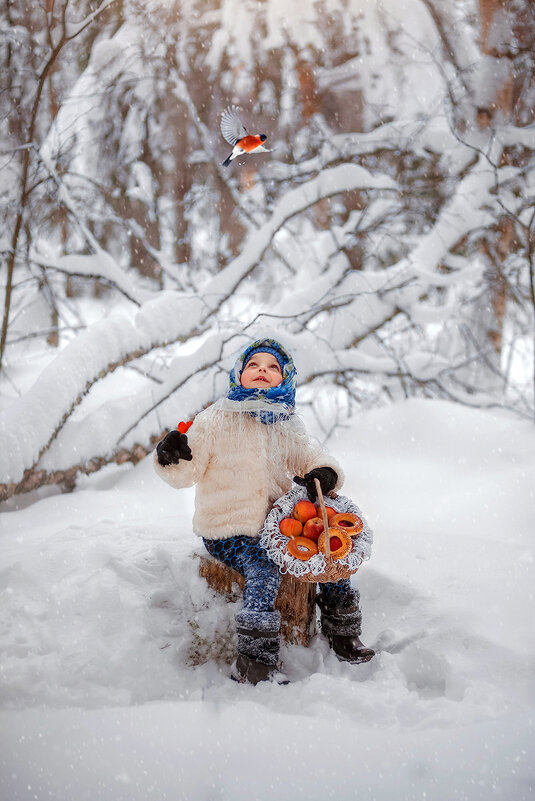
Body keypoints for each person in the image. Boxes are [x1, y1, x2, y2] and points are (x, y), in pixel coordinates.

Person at [154, 337, 374, 684]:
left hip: (278, 526)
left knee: (329, 553)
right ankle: (255, 660)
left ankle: (342, 631)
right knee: (263, 567)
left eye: (273, 367)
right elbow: (187, 471)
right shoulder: (215, 419)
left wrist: (323, 471)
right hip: (228, 529)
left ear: (284, 379)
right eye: (254, 365)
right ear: (238, 374)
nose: (262, 371)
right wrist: (172, 455)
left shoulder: (286, 422)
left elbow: (310, 455)